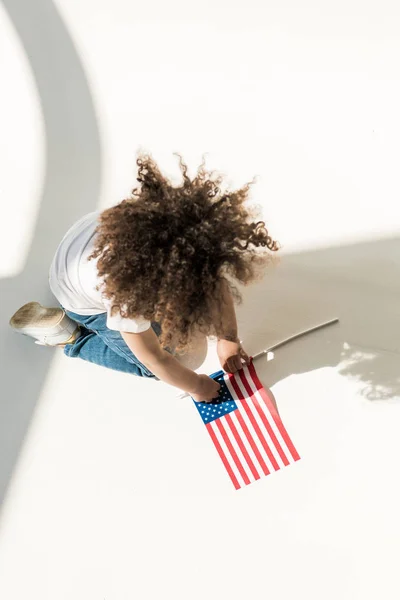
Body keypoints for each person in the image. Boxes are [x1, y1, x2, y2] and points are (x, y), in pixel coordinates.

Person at [9, 151, 279, 402]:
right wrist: (196, 386)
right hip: (80, 300)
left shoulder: (166, 225)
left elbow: (214, 281)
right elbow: (155, 360)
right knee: (158, 364)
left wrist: (228, 338)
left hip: (82, 244)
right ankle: (72, 339)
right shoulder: (124, 300)